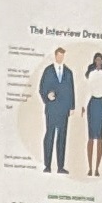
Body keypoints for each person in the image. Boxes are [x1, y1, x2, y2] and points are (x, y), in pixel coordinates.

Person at [38, 46, 75, 174]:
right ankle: (47, 165)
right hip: (52, 109)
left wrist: (72, 107)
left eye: (62, 56)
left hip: (64, 110)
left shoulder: (68, 72)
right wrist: (47, 96)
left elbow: (71, 90)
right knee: (50, 135)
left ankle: (60, 167)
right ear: (55, 56)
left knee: (62, 137)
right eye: (58, 55)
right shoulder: (48, 71)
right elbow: (42, 87)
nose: (60, 58)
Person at [83, 49, 102, 177]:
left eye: (100, 60)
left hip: (101, 104)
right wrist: (84, 105)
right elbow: (88, 89)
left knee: (100, 137)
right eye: (96, 60)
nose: (98, 62)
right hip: (92, 103)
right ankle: (90, 168)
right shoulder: (91, 74)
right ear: (94, 61)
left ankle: (97, 169)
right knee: (91, 137)